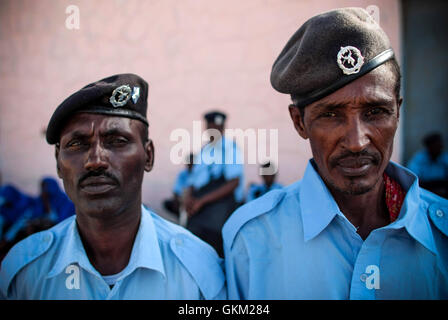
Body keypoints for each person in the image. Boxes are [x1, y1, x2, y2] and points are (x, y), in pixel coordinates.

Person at [223, 8, 448, 299]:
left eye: (375, 111)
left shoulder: (441, 234)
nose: (356, 142)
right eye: (330, 114)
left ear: (397, 112)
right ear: (299, 122)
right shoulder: (250, 242)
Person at [0, 74, 226, 299]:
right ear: (58, 162)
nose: (95, 160)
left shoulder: (198, 272)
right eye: (77, 144)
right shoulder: (23, 273)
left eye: (117, 141)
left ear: (148, 156)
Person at [184, 111, 244, 257]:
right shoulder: (204, 151)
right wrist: (188, 199)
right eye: (210, 128)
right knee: (192, 248)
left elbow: (234, 182)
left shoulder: (229, 148)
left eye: (217, 128)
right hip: (199, 208)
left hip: (219, 209)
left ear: (223, 128)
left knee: (214, 252)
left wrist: (202, 201)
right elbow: (193, 180)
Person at [407, 132, 448, 198]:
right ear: (428, 146)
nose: (439, 147)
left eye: (440, 145)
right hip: (424, 191)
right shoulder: (419, 158)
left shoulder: (445, 157)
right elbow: (412, 178)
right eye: (435, 145)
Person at [162, 153, 194, 219]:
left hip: (192, 199)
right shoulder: (183, 174)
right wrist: (177, 200)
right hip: (181, 199)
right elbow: (176, 190)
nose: (190, 164)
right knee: (168, 203)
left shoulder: (198, 174)